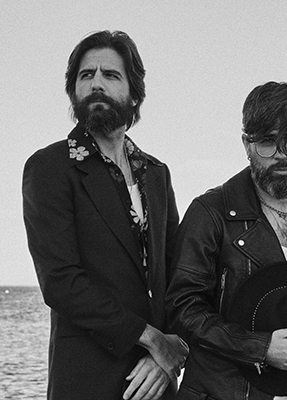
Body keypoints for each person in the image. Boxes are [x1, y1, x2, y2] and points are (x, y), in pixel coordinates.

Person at [166, 81, 287, 400]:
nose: (281, 155)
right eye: (267, 142)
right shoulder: (210, 213)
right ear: (247, 144)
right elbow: (182, 308)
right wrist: (259, 348)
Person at [22, 30, 188, 400]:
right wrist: (151, 339)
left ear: (134, 93)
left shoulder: (156, 173)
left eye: (111, 75)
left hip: (156, 381)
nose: (96, 83)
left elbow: (178, 274)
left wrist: (165, 353)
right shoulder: (49, 167)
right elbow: (61, 282)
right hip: (86, 380)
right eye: (86, 75)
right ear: (74, 91)